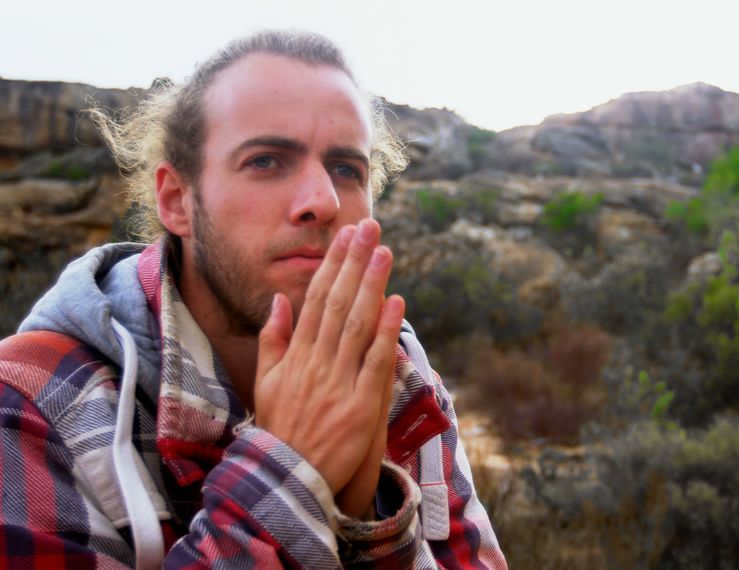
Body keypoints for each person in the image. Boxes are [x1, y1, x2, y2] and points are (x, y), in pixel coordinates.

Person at [0, 30, 506, 569]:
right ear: (177, 201)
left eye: (345, 169)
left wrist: (364, 525)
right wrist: (284, 479)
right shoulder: (33, 404)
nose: (324, 200)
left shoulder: (398, 372)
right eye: (266, 161)